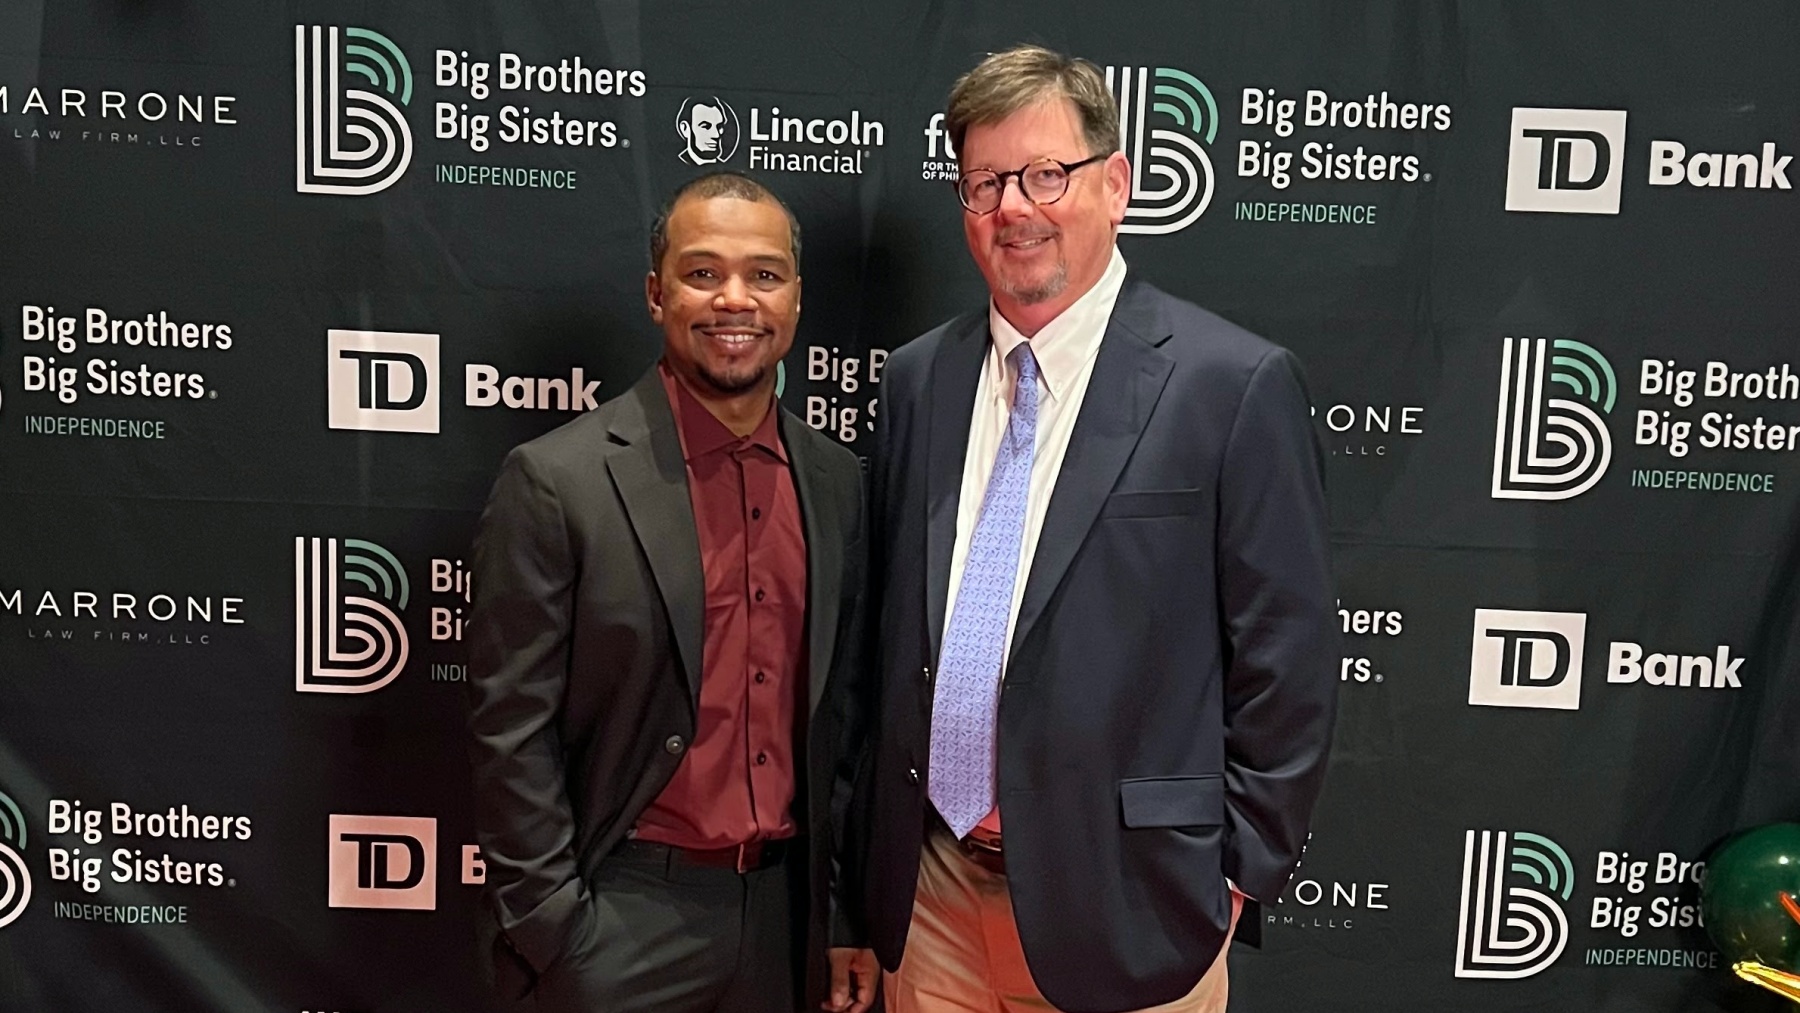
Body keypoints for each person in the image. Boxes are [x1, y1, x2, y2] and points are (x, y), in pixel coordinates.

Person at [850, 45, 1340, 1013]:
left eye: (1046, 174)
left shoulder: (1229, 386)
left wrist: (1232, 878)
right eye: (985, 183)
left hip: (1134, 912)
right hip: (933, 902)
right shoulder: (918, 380)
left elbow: (1289, 659)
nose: (1014, 209)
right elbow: (882, 641)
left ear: (1116, 185)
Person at [466, 171, 878, 1013]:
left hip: (785, 924)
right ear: (657, 295)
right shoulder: (558, 480)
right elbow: (511, 731)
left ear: (797, 299)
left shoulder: (839, 482)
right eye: (703, 272)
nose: (735, 299)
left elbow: (847, 717)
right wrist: (556, 930)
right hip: (620, 919)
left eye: (764, 274)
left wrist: (838, 913)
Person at [680, 99, 730, 164]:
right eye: (706, 127)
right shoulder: (671, 164)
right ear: (685, 128)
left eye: (719, 127)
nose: (716, 135)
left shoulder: (729, 168)